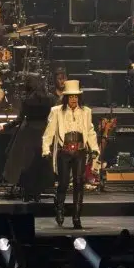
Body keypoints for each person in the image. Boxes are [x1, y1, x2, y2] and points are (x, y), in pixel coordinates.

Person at [41, 80, 99, 229]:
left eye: (76, 96)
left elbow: (90, 131)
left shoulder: (86, 111)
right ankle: (59, 209)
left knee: (79, 183)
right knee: (64, 183)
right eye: (71, 97)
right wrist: (45, 149)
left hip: (80, 151)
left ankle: (76, 216)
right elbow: (49, 132)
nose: (74, 99)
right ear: (66, 97)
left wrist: (94, 149)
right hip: (64, 151)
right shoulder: (57, 111)